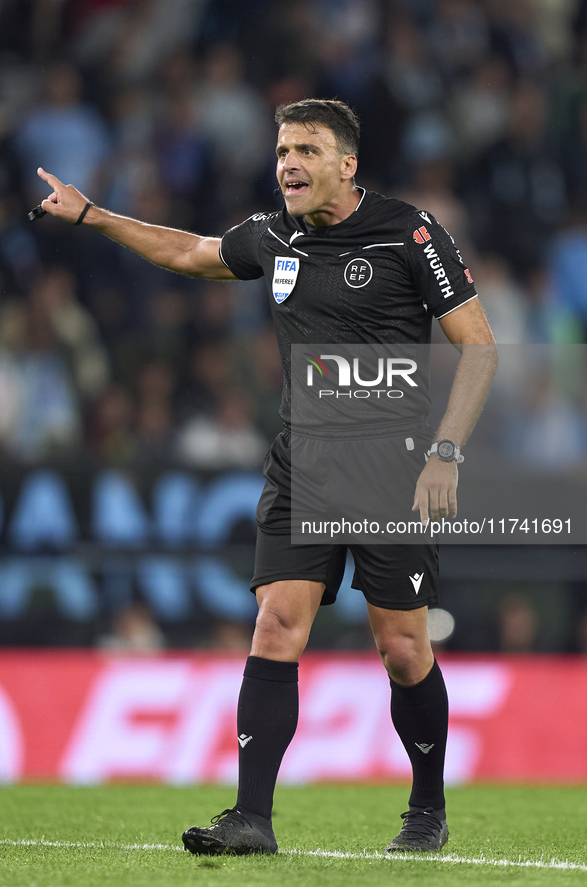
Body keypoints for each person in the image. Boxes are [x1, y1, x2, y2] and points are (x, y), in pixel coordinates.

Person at [36, 98, 497, 856]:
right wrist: (95, 217)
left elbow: (477, 347)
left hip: (393, 472)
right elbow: (191, 252)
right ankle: (251, 816)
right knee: (276, 624)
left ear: (346, 165)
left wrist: (445, 452)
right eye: (283, 149)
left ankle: (425, 810)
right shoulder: (272, 234)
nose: (289, 163)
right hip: (303, 464)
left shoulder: (409, 232)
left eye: (308, 150)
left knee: (403, 649)